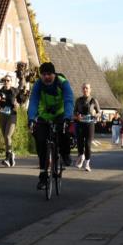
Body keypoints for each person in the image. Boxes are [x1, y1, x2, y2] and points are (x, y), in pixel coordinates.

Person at [26, 62, 75, 191]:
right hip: (45, 116)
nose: (47, 77)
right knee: (41, 142)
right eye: (44, 75)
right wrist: (31, 119)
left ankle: (65, 153)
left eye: (49, 74)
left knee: (63, 132)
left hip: (61, 114)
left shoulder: (62, 83)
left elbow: (69, 100)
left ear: (54, 74)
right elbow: (33, 102)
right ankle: (43, 177)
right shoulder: (38, 85)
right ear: (41, 75)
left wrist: (67, 117)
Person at [0, 75, 21, 167]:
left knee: (8, 136)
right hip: (2, 115)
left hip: (12, 115)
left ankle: (7, 158)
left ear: (11, 82)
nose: (6, 82)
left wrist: (17, 104)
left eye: (8, 80)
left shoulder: (15, 91)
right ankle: (11, 154)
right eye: (4, 80)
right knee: (5, 137)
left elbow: (20, 102)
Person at [73, 83, 100, 171]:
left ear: (90, 89)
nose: (85, 90)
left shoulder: (93, 100)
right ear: (82, 90)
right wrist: (77, 117)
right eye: (84, 88)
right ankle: (81, 156)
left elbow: (99, 113)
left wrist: (95, 114)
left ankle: (87, 163)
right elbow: (74, 113)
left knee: (88, 144)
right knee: (80, 143)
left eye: (87, 88)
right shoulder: (78, 100)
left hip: (90, 124)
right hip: (80, 124)